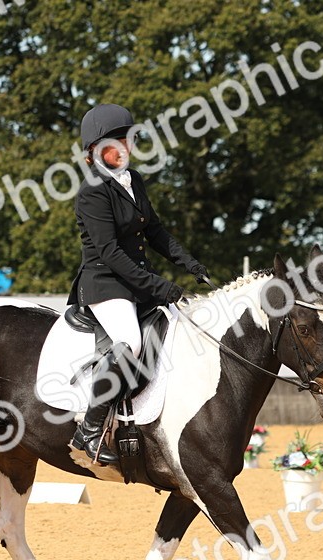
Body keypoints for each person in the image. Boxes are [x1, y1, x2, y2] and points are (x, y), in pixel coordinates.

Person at [67, 103, 208, 466]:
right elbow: (111, 253)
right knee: (128, 342)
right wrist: (162, 287)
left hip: (136, 284)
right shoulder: (92, 192)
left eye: (129, 139)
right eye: (120, 140)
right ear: (98, 149)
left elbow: (155, 230)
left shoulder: (134, 181)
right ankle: (90, 431)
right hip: (105, 285)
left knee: (179, 329)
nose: (127, 146)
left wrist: (188, 262)